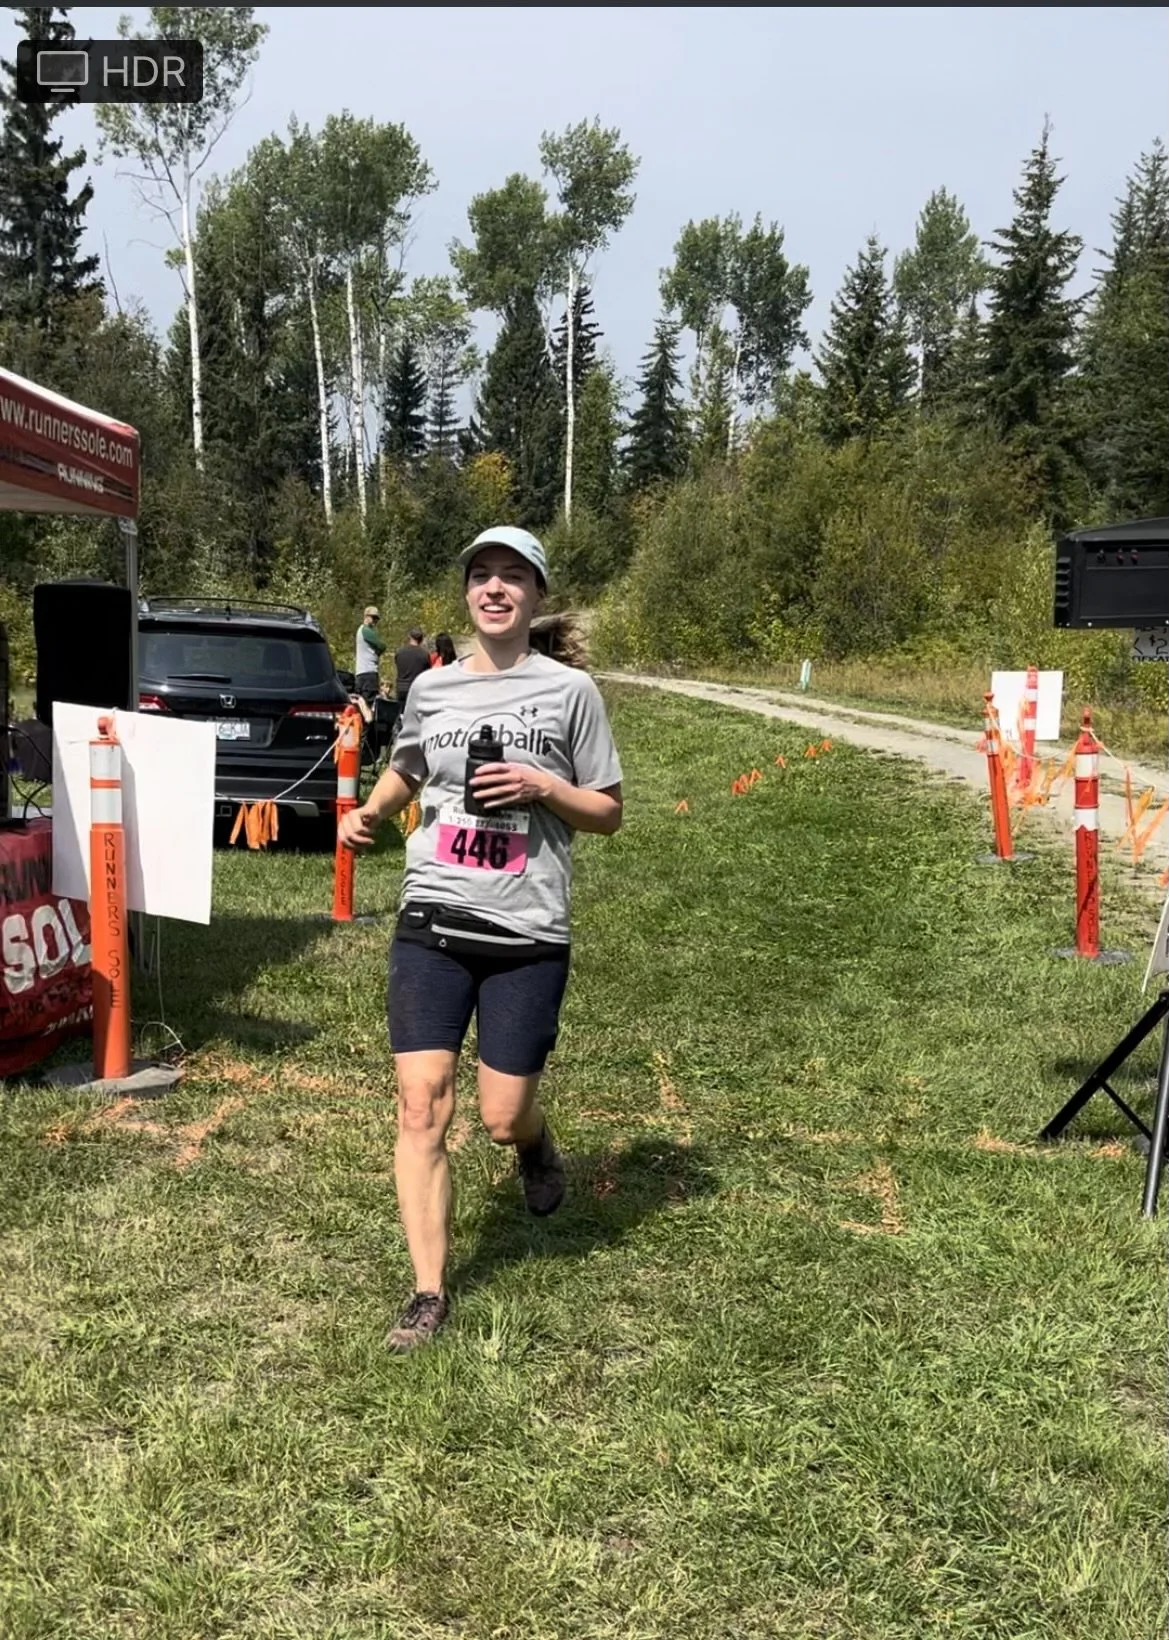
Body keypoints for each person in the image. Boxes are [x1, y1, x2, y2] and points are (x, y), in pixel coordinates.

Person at [339, 525, 623, 1352]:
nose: (494, 588)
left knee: (500, 1115)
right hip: (432, 916)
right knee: (420, 1102)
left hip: (526, 927)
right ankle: (428, 1292)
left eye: (512, 576)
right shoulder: (432, 688)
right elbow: (410, 766)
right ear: (466, 592)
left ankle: (532, 1144)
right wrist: (371, 811)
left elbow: (607, 812)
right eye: (481, 575)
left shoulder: (571, 691)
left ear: (534, 595)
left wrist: (541, 785)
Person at [353, 607, 386, 706]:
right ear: (366, 617)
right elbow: (381, 645)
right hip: (369, 672)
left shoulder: (360, 630)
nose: (375, 621)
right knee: (369, 703)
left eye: (377, 619)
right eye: (373, 617)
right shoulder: (366, 630)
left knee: (361, 703)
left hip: (361, 672)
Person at [394, 626, 431, 706]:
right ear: (421, 639)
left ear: (409, 637)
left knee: (402, 711)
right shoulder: (424, 654)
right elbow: (427, 672)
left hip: (401, 688)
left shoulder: (400, 652)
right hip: (416, 688)